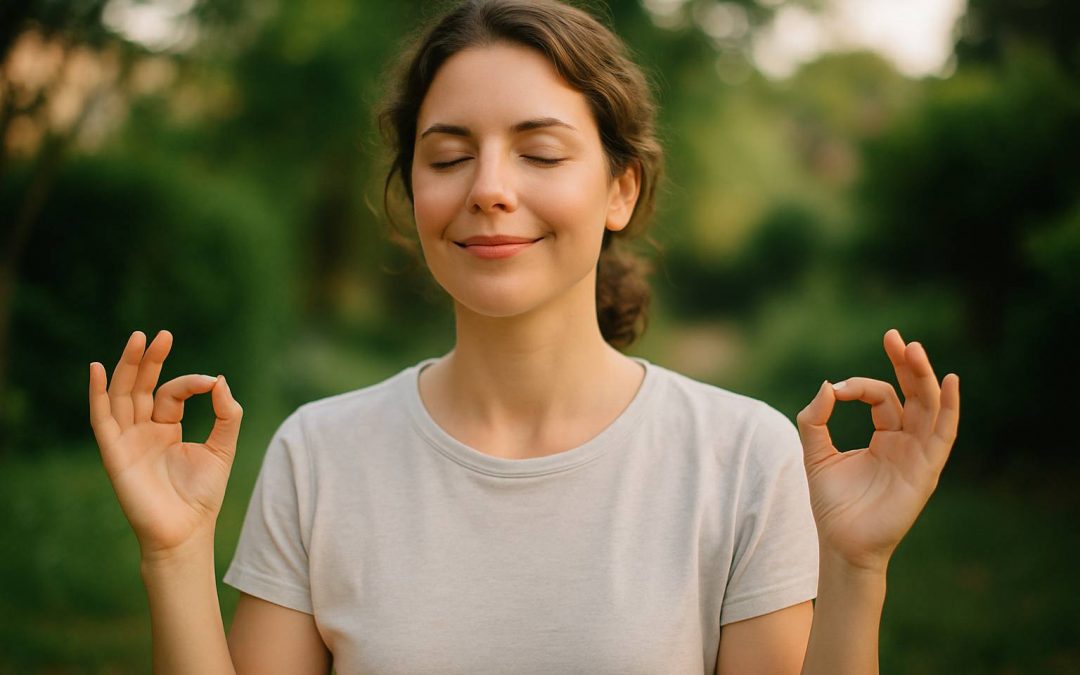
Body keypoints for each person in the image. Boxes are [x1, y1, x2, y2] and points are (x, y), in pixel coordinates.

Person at [87, 1, 960, 673]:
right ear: (412, 194)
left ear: (620, 190)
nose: (490, 188)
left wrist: (858, 567)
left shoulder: (741, 455)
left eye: (540, 153)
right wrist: (172, 550)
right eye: (447, 155)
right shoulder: (320, 453)